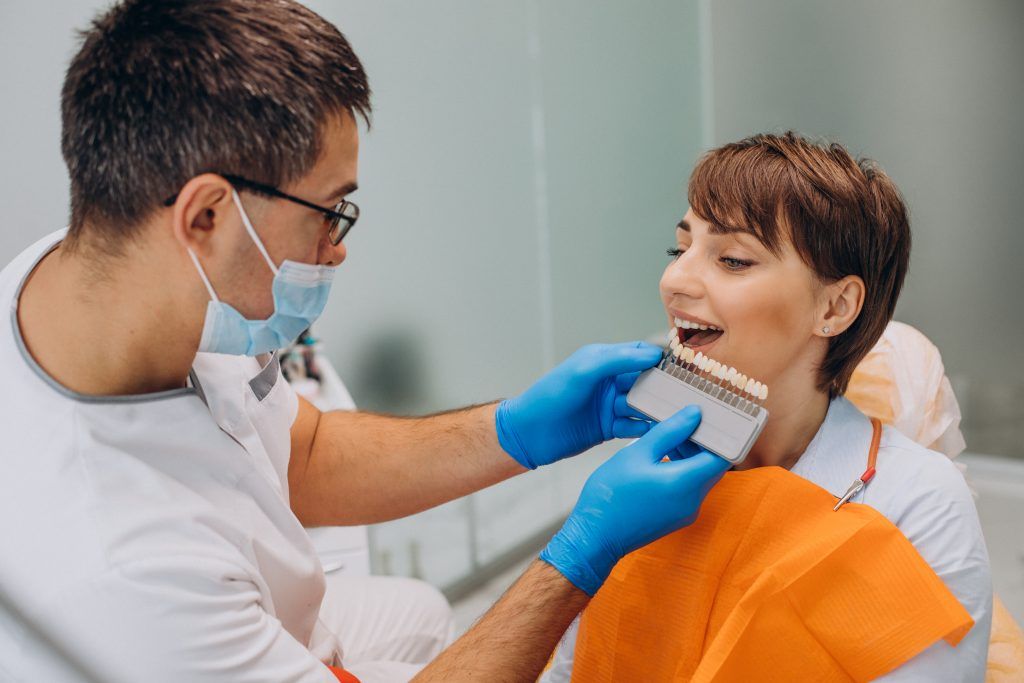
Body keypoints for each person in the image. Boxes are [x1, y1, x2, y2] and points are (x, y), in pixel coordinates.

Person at [0, 2, 731, 682]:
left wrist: (517, 429)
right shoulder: (124, 575)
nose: (336, 248)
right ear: (207, 216)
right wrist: (582, 553)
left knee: (414, 612)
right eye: (329, 211)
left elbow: (303, 455)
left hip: (258, 602)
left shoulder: (120, 268)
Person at [540, 133, 993, 682]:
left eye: (732, 259)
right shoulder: (642, 477)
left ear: (835, 306)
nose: (674, 280)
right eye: (679, 249)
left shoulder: (916, 501)